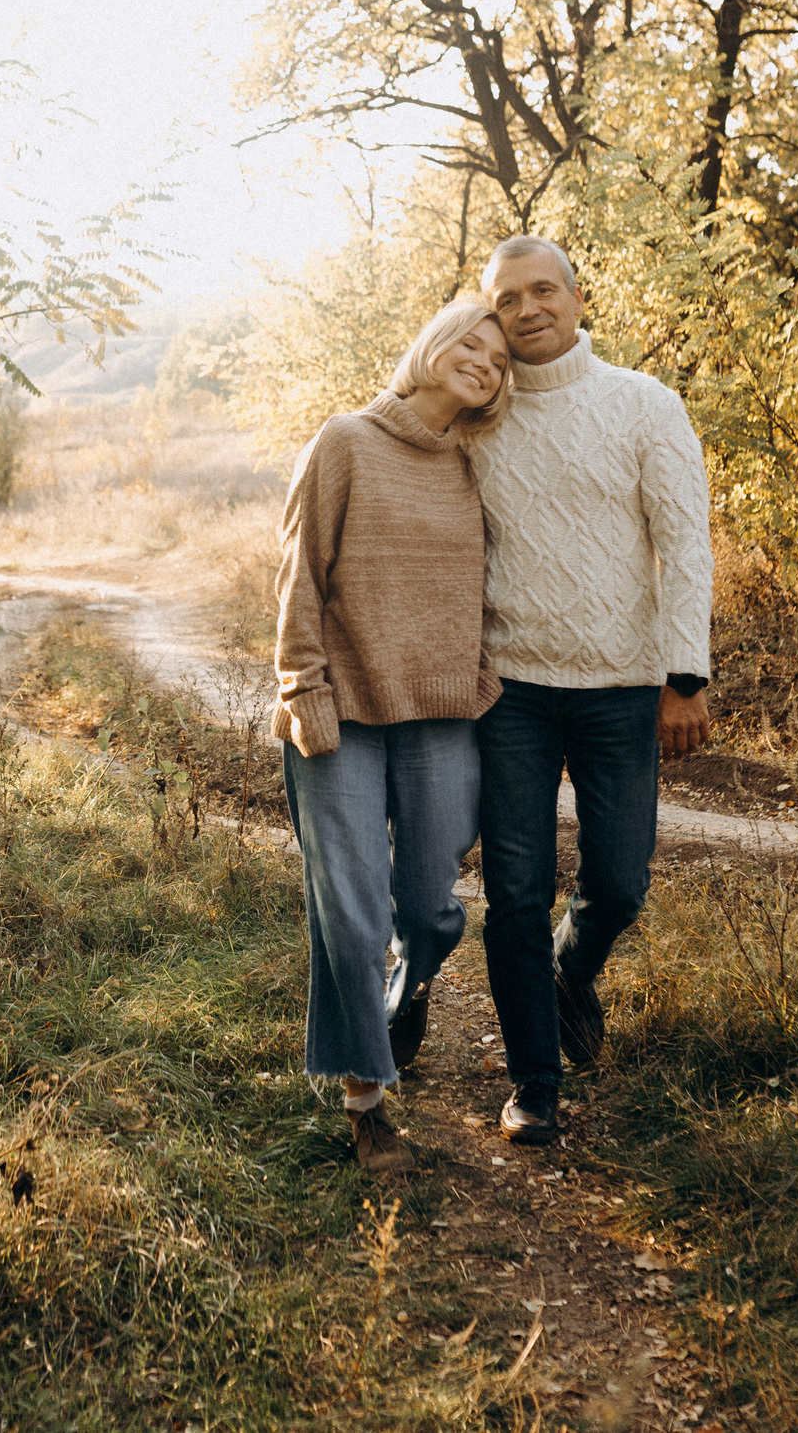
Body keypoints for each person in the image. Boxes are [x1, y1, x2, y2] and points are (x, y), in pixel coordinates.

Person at [470, 236, 713, 1147]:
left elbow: (684, 541)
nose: (528, 309)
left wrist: (684, 676)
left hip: (622, 686)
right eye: (507, 300)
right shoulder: (478, 417)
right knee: (515, 892)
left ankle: (575, 968)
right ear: (490, 315)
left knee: (618, 881)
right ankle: (534, 1084)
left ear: (577, 296)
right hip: (513, 691)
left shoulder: (644, 403)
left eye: (544, 291)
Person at [272, 298, 512, 1176]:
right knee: (354, 907)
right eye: (469, 342)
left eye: (498, 359)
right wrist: (302, 687)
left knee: (434, 909)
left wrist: (482, 673)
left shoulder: (476, 464)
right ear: (430, 345)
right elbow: (298, 572)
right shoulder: (344, 440)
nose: (483, 361)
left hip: (442, 709)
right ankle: (367, 1100)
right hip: (340, 709)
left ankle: (402, 996)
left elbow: (495, 585)